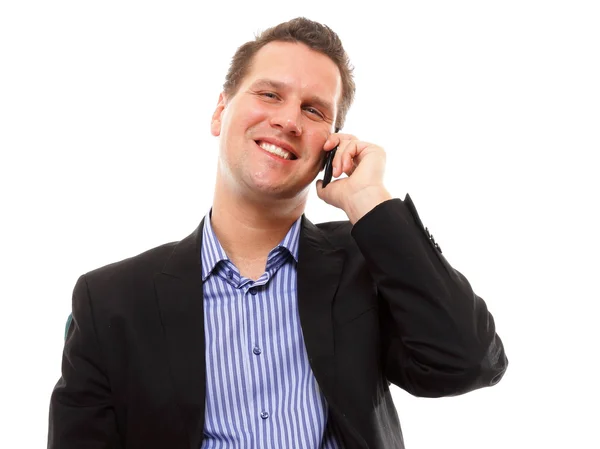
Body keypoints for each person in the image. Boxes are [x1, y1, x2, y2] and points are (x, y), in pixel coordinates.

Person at [48, 17, 508, 449]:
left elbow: (469, 361)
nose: (289, 120)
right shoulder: (110, 301)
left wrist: (369, 199)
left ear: (331, 144)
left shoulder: (365, 267)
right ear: (220, 112)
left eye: (313, 110)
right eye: (270, 95)